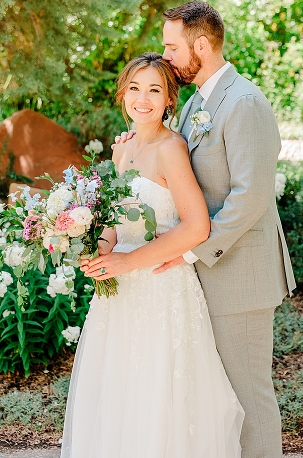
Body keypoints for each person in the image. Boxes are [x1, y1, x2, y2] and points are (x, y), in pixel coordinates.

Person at [106, 1, 296, 458]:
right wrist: (132, 148)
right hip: (194, 280)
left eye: (172, 47)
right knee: (212, 404)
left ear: (202, 45)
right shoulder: (195, 103)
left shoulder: (245, 102)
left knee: (248, 401)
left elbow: (250, 198)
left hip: (239, 276)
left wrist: (188, 252)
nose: (166, 57)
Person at [63, 52, 244, 457]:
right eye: (134, 88)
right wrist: (100, 251)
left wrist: (129, 260)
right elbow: (112, 221)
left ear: (169, 100)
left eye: (154, 90)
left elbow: (197, 227)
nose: (142, 98)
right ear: (122, 94)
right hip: (119, 293)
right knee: (118, 393)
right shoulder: (122, 149)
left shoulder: (171, 149)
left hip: (161, 288)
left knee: (157, 395)